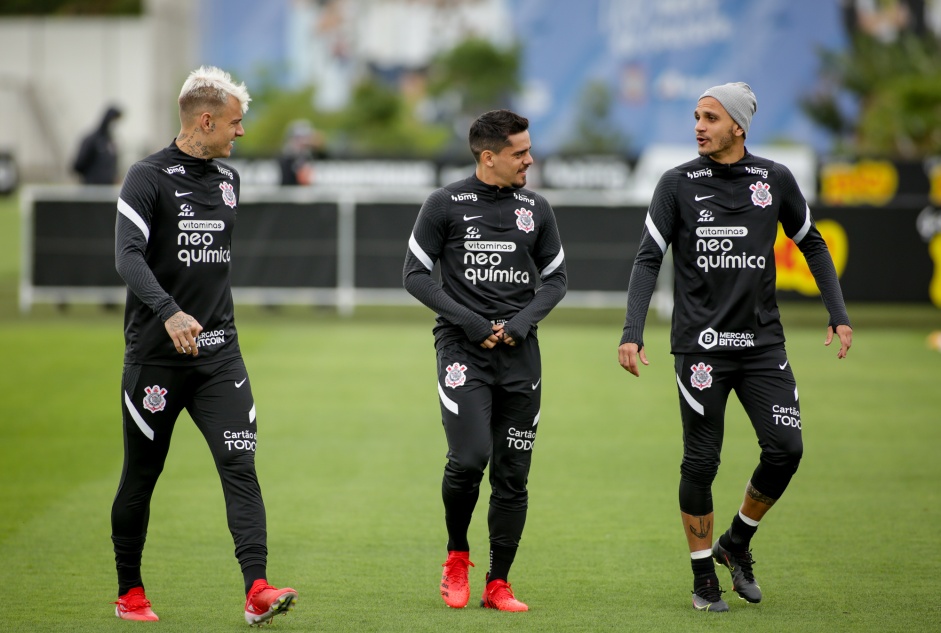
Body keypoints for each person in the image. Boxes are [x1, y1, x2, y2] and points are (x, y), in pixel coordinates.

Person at [617, 82, 853, 612]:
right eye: (696, 116)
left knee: (786, 450)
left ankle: (736, 543)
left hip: (762, 346)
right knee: (701, 462)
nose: (698, 125)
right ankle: (704, 578)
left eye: (709, 117)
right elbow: (647, 259)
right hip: (699, 351)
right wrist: (633, 330)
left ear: (738, 127)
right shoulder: (676, 183)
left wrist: (837, 315)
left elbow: (811, 242)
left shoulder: (775, 179)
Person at [110, 66, 297, 626]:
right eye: (236, 123)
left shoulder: (227, 181)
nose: (241, 133)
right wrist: (168, 312)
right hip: (157, 360)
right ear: (207, 120)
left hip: (220, 357)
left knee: (240, 463)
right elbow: (128, 256)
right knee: (141, 476)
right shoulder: (145, 177)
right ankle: (130, 592)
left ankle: (257, 589)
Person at [403, 109, 567, 612]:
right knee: (470, 458)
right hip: (462, 353)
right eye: (520, 153)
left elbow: (556, 280)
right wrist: (474, 324)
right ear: (488, 156)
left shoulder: (535, 208)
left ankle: (499, 583)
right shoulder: (444, 204)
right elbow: (415, 275)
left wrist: (518, 324)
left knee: (513, 473)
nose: (530, 160)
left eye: (528, 150)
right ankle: (457, 557)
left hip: (521, 356)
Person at [73, 104, 122, 184]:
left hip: (107, 191)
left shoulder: (111, 143)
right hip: (91, 190)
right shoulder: (92, 140)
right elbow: (78, 165)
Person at [277, 119, 326, 185]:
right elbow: (302, 179)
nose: (304, 141)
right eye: (300, 138)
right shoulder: (288, 158)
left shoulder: (307, 155)